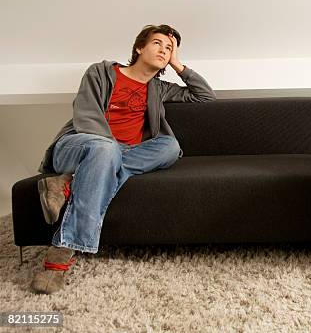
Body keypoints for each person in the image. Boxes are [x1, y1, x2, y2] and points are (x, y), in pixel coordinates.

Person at [31, 24, 216, 294]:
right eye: (158, 44)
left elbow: (206, 97)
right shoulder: (101, 72)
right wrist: (109, 148)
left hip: (115, 156)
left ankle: (67, 184)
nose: (163, 50)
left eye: (169, 48)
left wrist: (178, 64)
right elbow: (86, 116)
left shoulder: (159, 89)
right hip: (78, 145)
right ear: (140, 47)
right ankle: (58, 259)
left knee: (169, 146)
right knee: (105, 151)